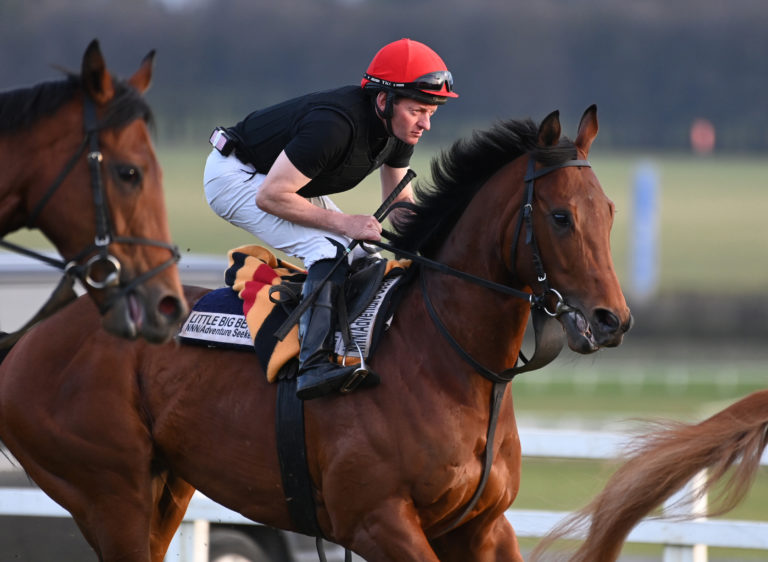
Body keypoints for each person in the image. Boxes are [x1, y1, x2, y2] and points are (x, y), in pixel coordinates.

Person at [203, 38, 458, 400]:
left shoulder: (398, 128)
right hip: (235, 176)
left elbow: (400, 203)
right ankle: (314, 364)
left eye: (431, 112)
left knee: (366, 258)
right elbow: (271, 196)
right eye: (418, 110)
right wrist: (346, 223)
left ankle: (350, 346)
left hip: (277, 181)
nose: (426, 124)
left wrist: (440, 244)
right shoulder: (334, 126)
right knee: (331, 247)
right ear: (384, 101)